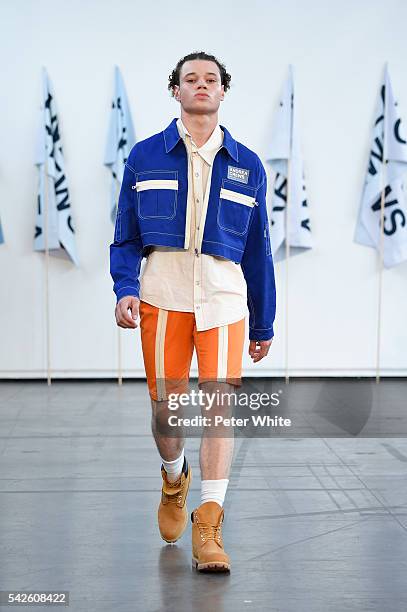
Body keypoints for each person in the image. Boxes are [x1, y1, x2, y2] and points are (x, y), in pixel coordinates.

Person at [110, 51, 276, 573]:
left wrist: (264, 318)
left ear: (223, 91)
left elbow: (259, 250)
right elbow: (125, 236)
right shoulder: (143, 157)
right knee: (166, 409)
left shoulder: (247, 164)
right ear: (175, 91)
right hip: (164, 296)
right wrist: (124, 287)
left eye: (210, 79)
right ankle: (173, 475)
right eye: (190, 79)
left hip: (225, 301)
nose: (200, 85)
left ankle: (209, 523)